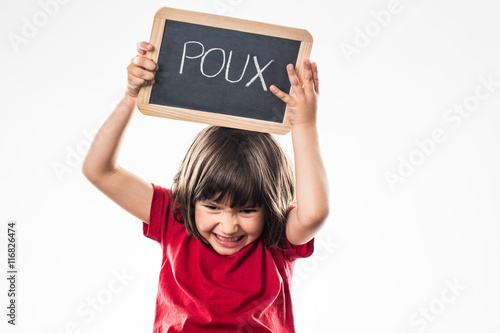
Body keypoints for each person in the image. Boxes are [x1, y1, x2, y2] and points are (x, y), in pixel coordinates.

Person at [82, 41, 329, 332]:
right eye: (213, 207)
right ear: (191, 199)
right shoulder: (173, 216)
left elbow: (313, 214)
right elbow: (99, 170)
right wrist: (130, 95)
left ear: (269, 206)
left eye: (247, 210)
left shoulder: (276, 235)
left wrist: (305, 124)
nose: (228, 226)